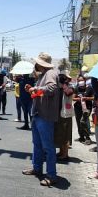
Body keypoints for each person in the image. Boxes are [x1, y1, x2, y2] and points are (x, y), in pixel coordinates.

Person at [22, 52, 61, 186]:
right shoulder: (43, 75)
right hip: (39, 114)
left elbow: (51, 88)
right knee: (37, 144)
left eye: (37, 63)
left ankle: (51, 175)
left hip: (45, 115)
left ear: (41, 64)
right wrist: (32, 90)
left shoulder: (50, 73)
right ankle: (37, 168)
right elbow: (41, 93)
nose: (35, 65)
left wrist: (36, 88)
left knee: (48, 147)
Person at [55, 74, 74, 161]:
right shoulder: (59, 88)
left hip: (66, 115)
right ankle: (61, 151)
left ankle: (65, 154)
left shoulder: (69, 87)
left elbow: (68, 93)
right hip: (60, 115)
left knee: (65, 135)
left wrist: (64, 85)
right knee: (60, 134)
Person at [73, 75, 94, 144]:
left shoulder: (90, 88)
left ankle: (87, 137)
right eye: (79, 80)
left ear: (85, 81)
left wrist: (86, 98)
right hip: (78, 107)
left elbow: (94, 97)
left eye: (82, 80)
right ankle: (81, 137)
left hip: (87, 108)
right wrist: (79, 99)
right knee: (79, 122)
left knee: (83, 121)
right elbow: (73, 98)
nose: (80, 82)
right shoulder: (76, 88)